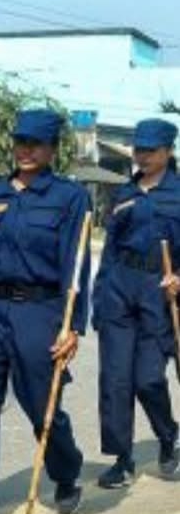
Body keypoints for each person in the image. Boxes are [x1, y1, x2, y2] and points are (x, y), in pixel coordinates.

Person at [0, 109, 91, 514]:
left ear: (52, 148)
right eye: (21, 142)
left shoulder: (69, 197)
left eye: (36, 144)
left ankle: (66, 473)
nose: (27, 151)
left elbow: (76, 265)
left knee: (41, 407)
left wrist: (74, 325)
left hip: (39, 311)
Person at [91, 117, 180, 487]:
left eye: (150, 151)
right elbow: (110, 248)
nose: (141, 156)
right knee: (114, 380)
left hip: (159, 292)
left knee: (147, 379)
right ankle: (122, 458)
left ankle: (168, 435)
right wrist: (100, 297)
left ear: (168, 152)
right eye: (138, 149)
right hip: (118, 287)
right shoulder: (125, 194)